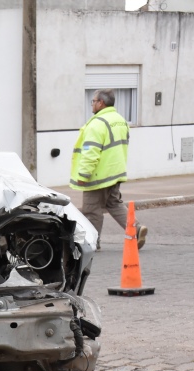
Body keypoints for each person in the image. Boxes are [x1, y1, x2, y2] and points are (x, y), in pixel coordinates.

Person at [70, 89, 146, 250]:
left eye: (93, 101)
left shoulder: (97, 124)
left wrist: (84, 174)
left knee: (92, 210)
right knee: (114, 204)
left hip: (98, 175)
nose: (92, 104)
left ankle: (91, 242)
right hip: (115, 172)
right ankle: (136, 229)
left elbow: (91, 152)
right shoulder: (120, 120)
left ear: (101, 103)